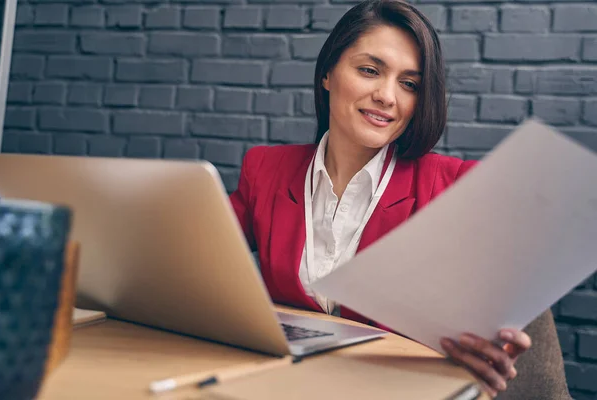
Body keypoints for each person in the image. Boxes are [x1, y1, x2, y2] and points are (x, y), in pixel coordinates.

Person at [229, 0, 570, 398]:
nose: (387, 96)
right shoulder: (266, 169)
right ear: (327, 73)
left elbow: (500, 309)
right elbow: (196, 261)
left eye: (409, 84)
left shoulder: (457, 189)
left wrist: (485, 340)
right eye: (369, 70)